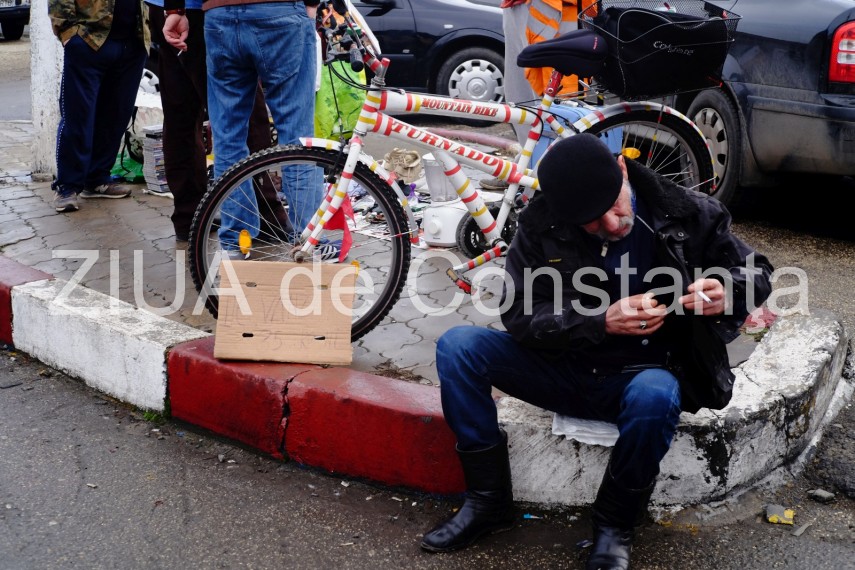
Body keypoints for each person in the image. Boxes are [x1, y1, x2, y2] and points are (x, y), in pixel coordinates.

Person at [420, 134, 774, 570]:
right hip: (563, 369)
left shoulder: (687, 211)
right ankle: (487, 502)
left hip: (643, 376)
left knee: (657, 394)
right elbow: (519, 315)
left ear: (623, 171)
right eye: (591, 221)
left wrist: (728, 290)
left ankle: (614, 526)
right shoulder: (540, 224)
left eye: (614, 205)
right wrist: (599, 320)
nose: (610, 223)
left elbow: (758, 270)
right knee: (458, 347)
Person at [161, 0, 334, 259]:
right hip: (281, 11)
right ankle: (309, 241)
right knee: (298, 139)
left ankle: (235, 244)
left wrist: (176, 10)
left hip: (220, 15)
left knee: (228, 137)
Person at [146, 1, 290, 243]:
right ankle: (265, 216)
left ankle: (189, 216)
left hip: (166, 8)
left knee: (181, 112)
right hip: (201, 9)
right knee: (241, 113)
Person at [49, 0, 150, 213]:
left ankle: (97, 178)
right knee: (78, 116)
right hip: (88, 38)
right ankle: (67, 185)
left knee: (116, 116)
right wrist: (67, 31)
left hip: (133, 40)